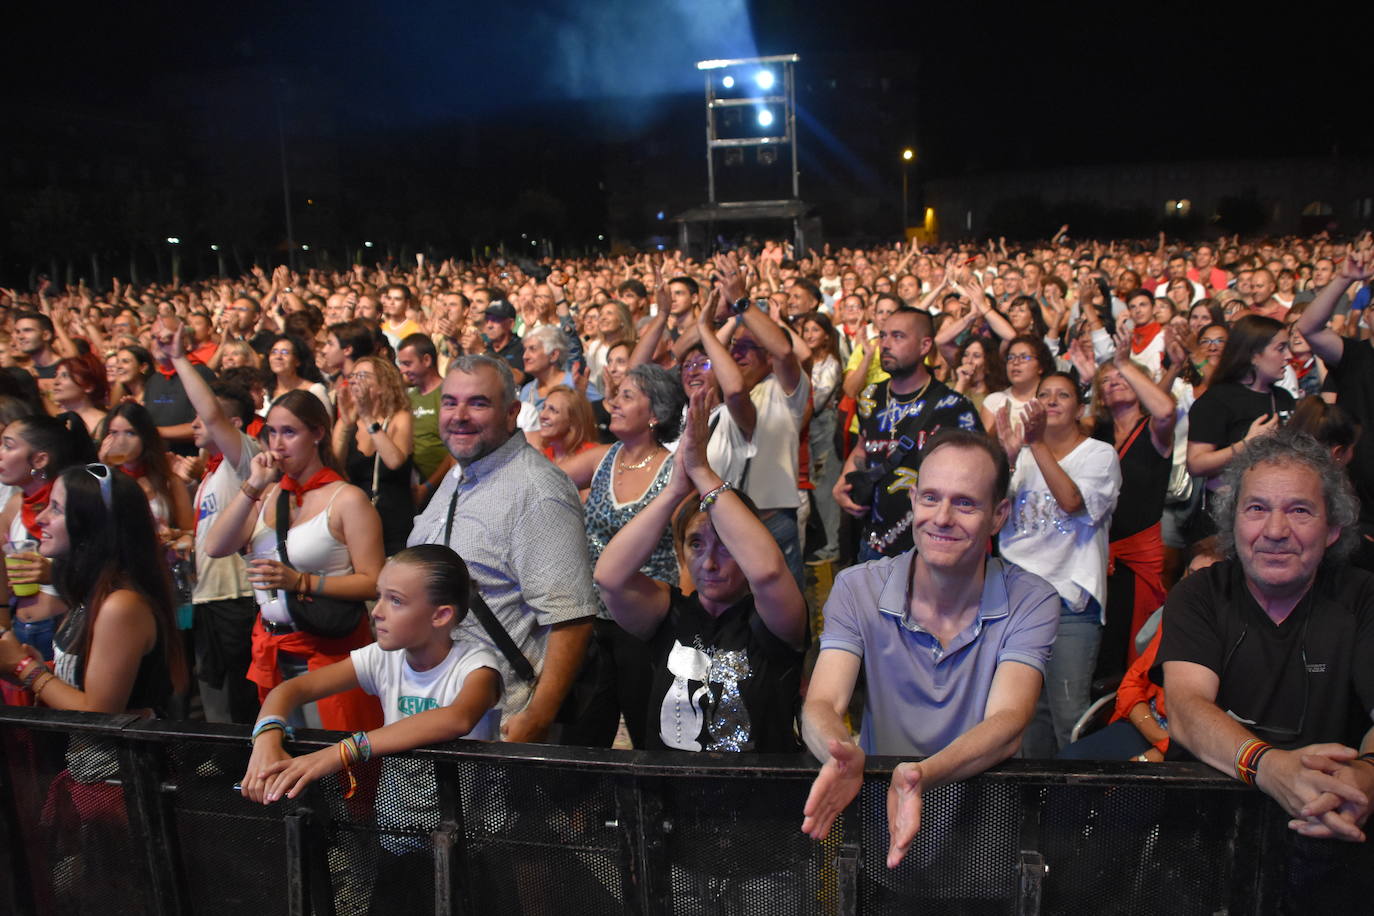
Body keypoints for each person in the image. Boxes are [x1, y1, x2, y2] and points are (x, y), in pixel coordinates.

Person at [801, 430, 1058, 867]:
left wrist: (920, 776)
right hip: (883, 840)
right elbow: (823, 701)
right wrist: (839, 752)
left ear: (998, 516)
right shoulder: (857, 587)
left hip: (985, 844)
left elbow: (1009, 720)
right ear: (914, 500)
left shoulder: (1032, 600)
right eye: (930, 498)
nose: (941, 517)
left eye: (965, 503)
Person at [1157, 432, 1374, 907]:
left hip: (1333, 827)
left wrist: (1366, 777)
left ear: (1333, 528)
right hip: (1205, 835)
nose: (1275, 530)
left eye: (1299, 510)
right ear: (1232, 521)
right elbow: (1187, 709)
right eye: (1256, 509)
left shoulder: (1363, 597)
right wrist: (1270, 767)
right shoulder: (1199, 596)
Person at [240, 545, 501, 911]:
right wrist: (266, 737)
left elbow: (456, 718)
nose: (376, 611)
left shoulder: (477, 666)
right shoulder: (382, 657)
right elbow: (290, 689)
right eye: (378, 596)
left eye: (395, 600)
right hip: (397, 833)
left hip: (468, 842)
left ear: (441, 615)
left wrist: (340, 753)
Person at [595, 385, 806, 754]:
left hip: (754, 804)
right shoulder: (669, 615)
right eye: (696, 544)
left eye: (725, 546)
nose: (708, 562)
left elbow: (769, 571)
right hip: (674, 803)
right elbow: (608, 577)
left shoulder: (773, 617)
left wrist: (701, 470)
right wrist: (676, 489)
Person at [406, 355, 595, 743]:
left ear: (511, 413)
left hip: (499, 724)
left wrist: (537, 718)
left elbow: (570, 620)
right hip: (433, 710)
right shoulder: (460, 472)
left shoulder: (538, 492)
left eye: (478, 403)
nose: (459, 415)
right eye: (449, 402)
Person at [203, 389, 384, 732]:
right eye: (271, 432)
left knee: (335, 763)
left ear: (317, 433)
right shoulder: (269, 493)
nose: (277, 443)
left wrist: (300, 581)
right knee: (286, 761)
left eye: (289, 432)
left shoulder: (346, 498)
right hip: (273, 646)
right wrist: (253, 486)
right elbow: (214, 546)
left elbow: (373, 580)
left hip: (328, 649)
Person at [995, 373, 1122, 756]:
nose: (1051, 400)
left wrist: (1035, 446)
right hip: (1017, 599)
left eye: (1062, 394)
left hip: (1070, 602)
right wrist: (1008, 456)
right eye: (1044, 394)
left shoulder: (1100, 454)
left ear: (1080, 408)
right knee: (1026, 715)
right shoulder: (1022, 453)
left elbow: (1071, 501)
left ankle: (1076, 809)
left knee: (1069, 714)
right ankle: (1034, 809)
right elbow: (990, 514)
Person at [0, 464, 187, 715]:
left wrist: (25, 668)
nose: (41, 518)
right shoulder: (93, 590)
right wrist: (41, 669)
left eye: (55, 508)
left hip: (122, 754)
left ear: (91, 525)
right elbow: (88, 683)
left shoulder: (121, 605)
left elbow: (99, 711)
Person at [163, 322, 262, 724]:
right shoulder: (209, 475)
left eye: (208, 417)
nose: (197, 422)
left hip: (235, 600)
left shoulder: (244, 460)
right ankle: (224, 770)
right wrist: (185, 538)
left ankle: (244, 776)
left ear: (234, 425)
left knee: (240, 702)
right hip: (207, 597)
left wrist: (178, 360)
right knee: (216, 698)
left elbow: (210, 411)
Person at [835, 306, 982, 560]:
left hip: (930, 547)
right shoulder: (871, 396)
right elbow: (863, 446)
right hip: (873, 542)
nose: (886, 344)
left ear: (925, 346)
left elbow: (977, 476)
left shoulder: (954, 407)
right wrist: (844, 481)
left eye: (898, 336)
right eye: (883, 336)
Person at [1091, 338, 1177, 682]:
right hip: (1098, 552)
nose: (1114, 383)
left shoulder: (1153, 430)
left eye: (1122, 378)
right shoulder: (1096, 434)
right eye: (1107, 381)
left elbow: (1166, 409)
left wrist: (1124, 363)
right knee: (1103, 644)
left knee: (1134, 641)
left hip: (1137, 554)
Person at [1292, 246, 1374, 570]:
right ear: (1367, 315)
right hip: (1357, 517)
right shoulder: (1354, 355)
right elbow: (1309, 328)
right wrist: (1343, 278)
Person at [1186, 315, 1297, 540]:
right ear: (1255, 355)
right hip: (1227, 518)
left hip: (1277, 512)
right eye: (1281, 348)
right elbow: (1196, 463)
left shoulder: (1283, 398)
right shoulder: (1217, 399)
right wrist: (1247, 445)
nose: (1288, 356)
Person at [0, 414, 94, 660]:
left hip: (65, 627)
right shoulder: (14, 504)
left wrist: (54, 574)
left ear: (40, 459)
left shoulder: (73, 503)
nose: (0, 452)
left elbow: (102, 570)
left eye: (8, 446)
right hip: (21, 627)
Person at [333, 356, 414, 557]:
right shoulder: (348, 419)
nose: (354, 381)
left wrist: (368, 417)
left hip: (393, 520)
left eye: (362, 376)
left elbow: (394, 461)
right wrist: (346, 425)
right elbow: (334, 467)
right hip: (357, 520)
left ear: (382, 386)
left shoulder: (399, 417)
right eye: (352, 376)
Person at [95, 402, 195, 540]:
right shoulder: (101, 481)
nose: (121, 441)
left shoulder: (169, 481)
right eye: (113, 433)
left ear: (145, 437)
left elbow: (190, 531)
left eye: (130, 433)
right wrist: (104, 470)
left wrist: (173, 534)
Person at [396, 333, 452, 506]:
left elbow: (453, 451)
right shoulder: (409, 396)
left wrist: (427, 486)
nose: (403, 370)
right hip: (413, 488)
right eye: (401, 364)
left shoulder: (448, 393)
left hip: (444, 490)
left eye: (407, 363)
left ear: (426, 360)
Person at [264, 334, 331, 417]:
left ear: (297, 361)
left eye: (285, 352)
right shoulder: (264, 393)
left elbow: (327, 426)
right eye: (274, 352)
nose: (278, 356)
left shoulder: (315, 390)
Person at [49, 355, 108, 436]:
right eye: (55, 375)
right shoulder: (54, 421)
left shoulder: (104, 425)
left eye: (65, 376)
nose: (56, 382)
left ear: (88, 386)